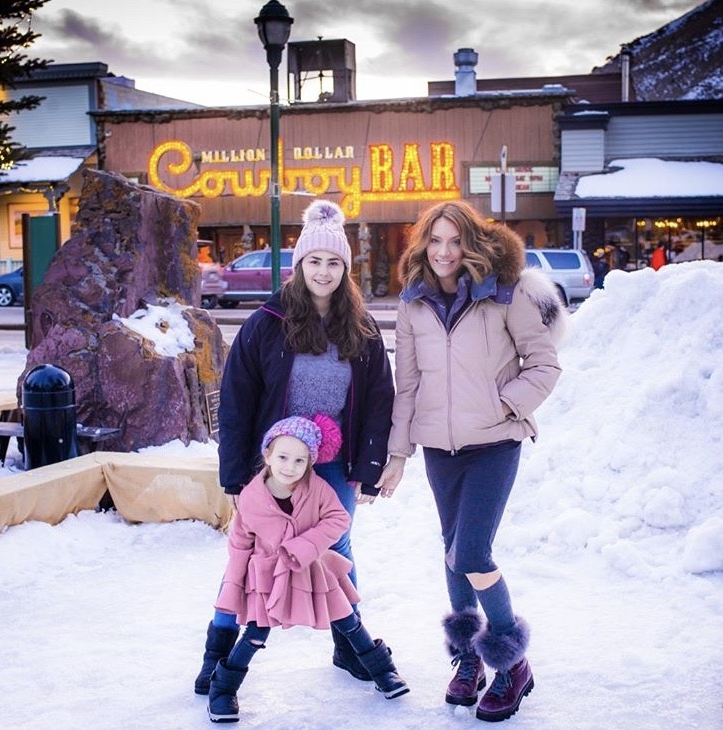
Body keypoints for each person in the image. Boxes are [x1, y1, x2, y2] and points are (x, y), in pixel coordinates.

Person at [194, 199, 395, 697]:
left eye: (333, 263)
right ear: (299, 264)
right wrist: (236, 474)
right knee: (245, 557)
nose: (323, 272)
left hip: (333, 464)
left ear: (345, 268)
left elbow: (378, 400)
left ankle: (350, 650)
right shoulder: (267, 322)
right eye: (314, 261)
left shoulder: (362, 329)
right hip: (275, 465)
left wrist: (369, 468)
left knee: (336, 550)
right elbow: (238, 401)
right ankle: (217, 654)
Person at [376, 200, 566, 723]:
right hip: (441, 449)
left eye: (453, 240)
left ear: (471, 244)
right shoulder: (413, 305)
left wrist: (505, 406)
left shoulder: (507, 294)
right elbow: (408, 384)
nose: (443, 251)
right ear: (422, 245)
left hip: (495, 444)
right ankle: (467, 660)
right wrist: (398, 453)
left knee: (473, 552)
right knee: (450, 549)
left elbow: (545, 363)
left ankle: (511, 663)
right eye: (434, 241)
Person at [207, 416, 409, 722]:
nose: (290, 467)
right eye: (283, 457)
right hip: (268, 577)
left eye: (300, 460)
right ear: (268, 456)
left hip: (313, 570)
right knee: (256, 633)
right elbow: (239, 545)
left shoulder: (318, 488)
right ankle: (222, 690)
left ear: (310, 463)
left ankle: (383, 672)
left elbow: (338, 519)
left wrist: (305, 545)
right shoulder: (250, 497)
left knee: (348, 620)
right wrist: (233, 587)